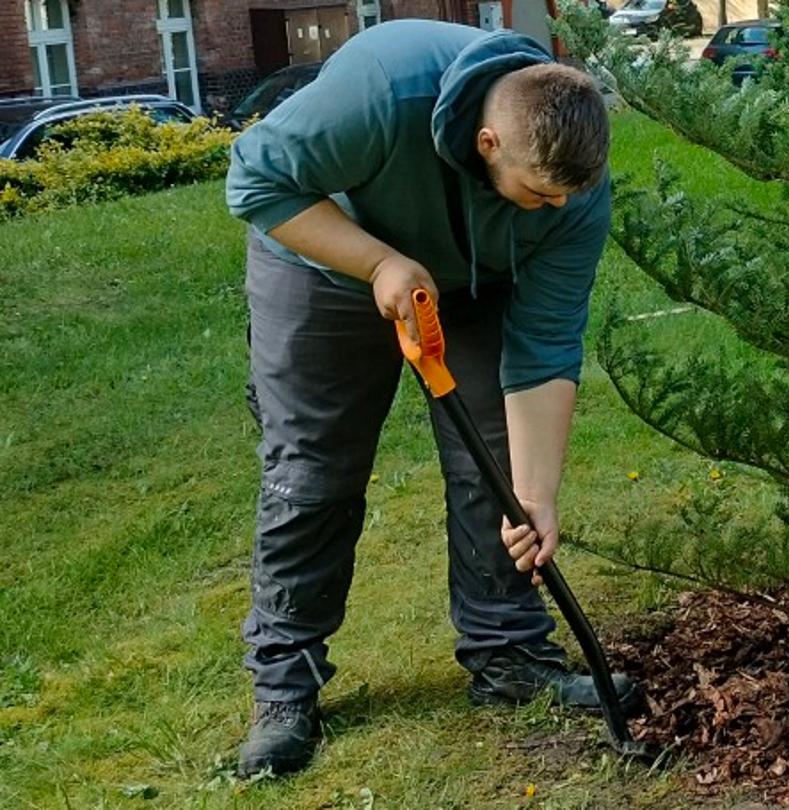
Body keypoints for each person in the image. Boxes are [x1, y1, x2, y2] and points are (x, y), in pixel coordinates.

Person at [225, 20, 632, 777]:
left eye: (565, 198)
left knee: (497, 465)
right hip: (322, 255)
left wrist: (537, 498)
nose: (553, 209)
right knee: (313, 474)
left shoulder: (572, 192)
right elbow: (255, 180)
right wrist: (378, 260)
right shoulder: (383, 88)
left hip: (473, 275)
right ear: (488, 146)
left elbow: (544, 347)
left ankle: (508, 656)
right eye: (538, 194)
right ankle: (286, 687)